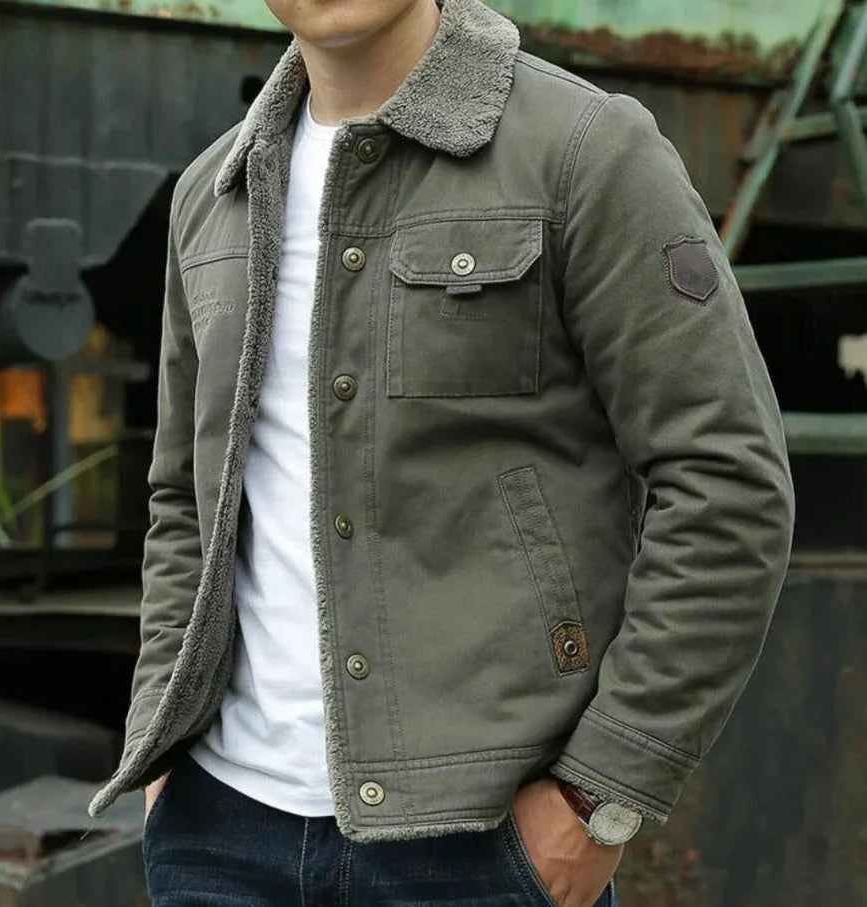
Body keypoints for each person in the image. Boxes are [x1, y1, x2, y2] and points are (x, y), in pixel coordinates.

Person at [88, 1, 795, 905]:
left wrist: (598, 796)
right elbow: (184, 498)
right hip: (220, 832)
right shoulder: (212, 195)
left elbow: (728, 482)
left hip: (481, 846)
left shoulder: (583, 150)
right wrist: (160, 746)